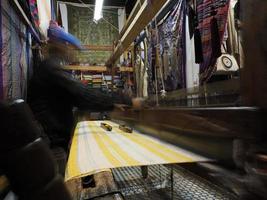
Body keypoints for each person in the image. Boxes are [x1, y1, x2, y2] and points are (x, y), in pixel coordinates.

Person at [27, 21, 135, 150]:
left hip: (52, 138)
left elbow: (78, 98)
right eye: (69, 46)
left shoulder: (51, 67)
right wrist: (125, 100)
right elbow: (82, 94)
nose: (71, 51)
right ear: (61, 46)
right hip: (51, 142)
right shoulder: (52, 69)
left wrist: (112, 103)